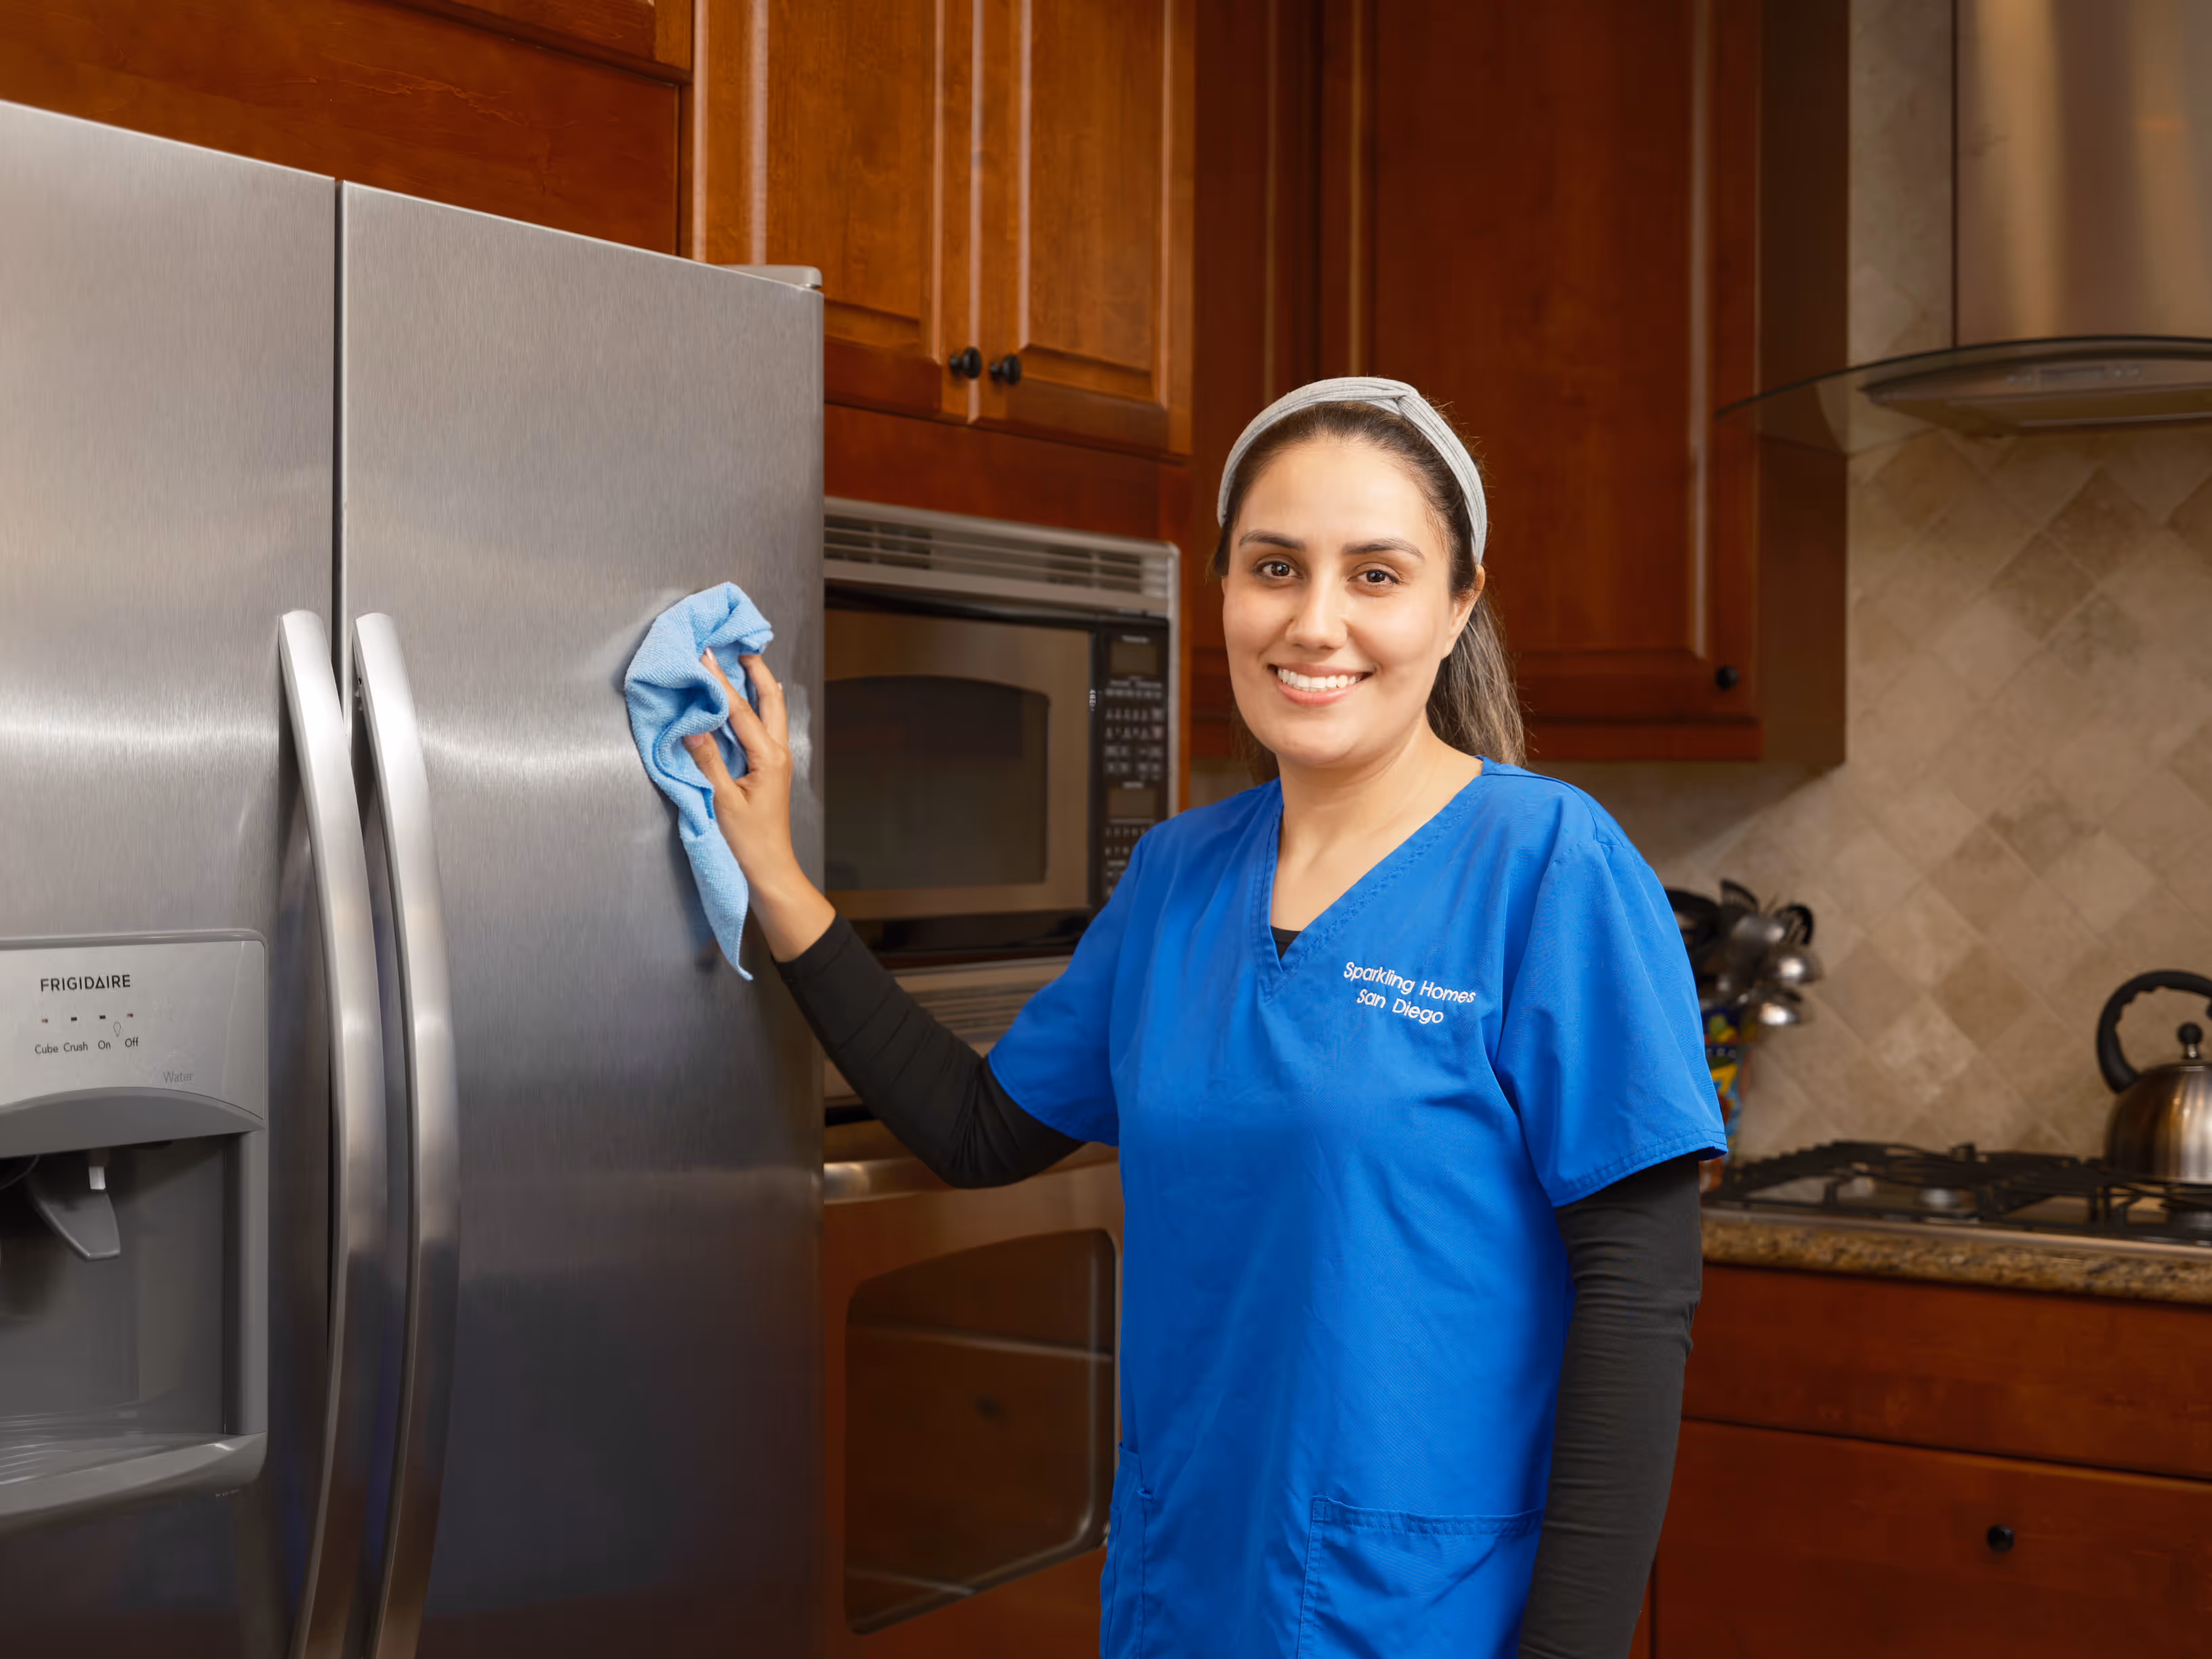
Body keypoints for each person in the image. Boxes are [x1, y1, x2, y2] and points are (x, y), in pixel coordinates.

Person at [684, 377, 1725, 1659]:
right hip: (1184, 1599)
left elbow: (1637, 1300)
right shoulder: (1180, 876)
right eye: (1275, 566)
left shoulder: (1549, 863)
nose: (1316, 621)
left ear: (1459, 605)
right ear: (1227, 588)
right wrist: (778, 879)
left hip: (1419, 1616)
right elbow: (978, 1132)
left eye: (1378, 575)